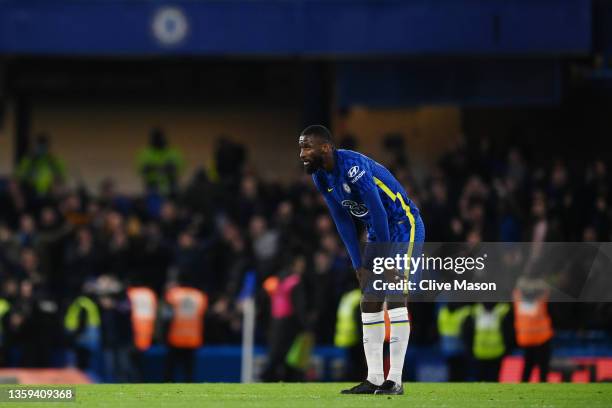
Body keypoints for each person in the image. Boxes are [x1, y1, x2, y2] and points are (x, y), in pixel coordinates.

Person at [298, 125, 425, 395]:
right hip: (377, 231)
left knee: (395, 293)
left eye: (306, 146)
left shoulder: (354, 167)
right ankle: (375, 378)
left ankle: (396, 380)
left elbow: (379, 212)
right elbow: (342, 220)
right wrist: (358, 264)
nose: (302, 153)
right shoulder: (321, 177)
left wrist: (383, 260)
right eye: (300, 147)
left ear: (325, 147)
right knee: (369, 299)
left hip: (402, 225)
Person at [513, 276, 554, 382]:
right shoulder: (540, 301)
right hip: (542, 338)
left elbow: (516, 290)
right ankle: (541, 387)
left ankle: (524, 387)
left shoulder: (518, 300)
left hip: (526, 338)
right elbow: (547, 290)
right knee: (543, 368)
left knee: (528, 367)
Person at [136, 128, 185, 197]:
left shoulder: (172, 151)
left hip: (171, 184)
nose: (158, 141)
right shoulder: (146, 153)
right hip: (152, 185)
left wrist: (157, 168)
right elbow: (140, 169)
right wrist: (158, 168)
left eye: (160, 138)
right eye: (156, 139)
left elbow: (180, 167)